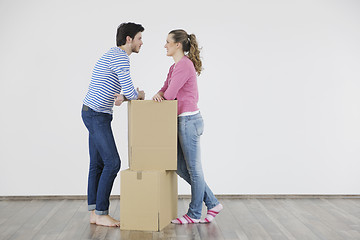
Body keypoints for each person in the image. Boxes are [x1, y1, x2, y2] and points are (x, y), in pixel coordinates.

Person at [153, 29, 223, 224]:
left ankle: (193, 213)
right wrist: (160, 92)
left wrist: (162, 95)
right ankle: (213, 202)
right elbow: (164, 88)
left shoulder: (184, 65)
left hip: (189, 122)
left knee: (194, 169)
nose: (164, 45)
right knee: (178, 165)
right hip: (182, 121)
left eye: (167, 42)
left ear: (178, 45)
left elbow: (169, 95)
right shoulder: (174, 67)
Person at [81, 22, 145, 227]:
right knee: (113, 162)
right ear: (129, 39)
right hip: (96, 115)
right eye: (139, 38)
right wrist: (137, 95)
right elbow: (132, 93)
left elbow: (122, 93)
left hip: (91, 112)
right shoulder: (120, 59)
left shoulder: (112, 54)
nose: (141, 43)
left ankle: (94, 213)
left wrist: (124, 96)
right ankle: (101, 213)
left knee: (98, 164)